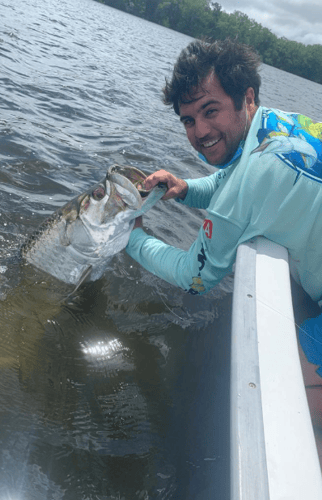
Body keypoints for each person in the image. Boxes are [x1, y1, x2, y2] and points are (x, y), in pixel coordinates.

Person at [125, 38, 322, 464]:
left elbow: (194, 277)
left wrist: (131, 238)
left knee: (291, 414)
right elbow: (229, 180)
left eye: (210, 111)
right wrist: (183, 189)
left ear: (245, 97)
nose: (199, 132)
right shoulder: (276, 124)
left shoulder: (251, 182)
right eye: (188, 120)